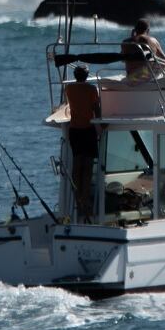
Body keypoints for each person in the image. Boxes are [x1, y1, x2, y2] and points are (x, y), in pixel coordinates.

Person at [65, 65, 100, 223]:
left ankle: (77, 198)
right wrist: (102, 122)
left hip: (74, 130)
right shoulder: (92, 90)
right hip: (88, 129)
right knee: (88, 166)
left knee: (77, 164)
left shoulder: (69, 89)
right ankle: (84, 200)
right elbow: (96, 108)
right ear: (87, 76)